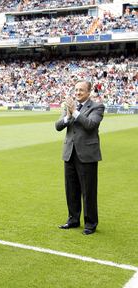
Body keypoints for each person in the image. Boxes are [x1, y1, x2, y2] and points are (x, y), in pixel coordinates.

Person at [55, 80, 105, 235]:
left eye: (81, 90)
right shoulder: (69, 107)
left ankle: (90, 224)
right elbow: (58, 126)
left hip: (87, 155)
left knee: (88, 191)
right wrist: (68, 116)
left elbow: (90, 125)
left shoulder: (97, 107)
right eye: (76, 89)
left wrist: (75, 112)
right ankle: (73, 220)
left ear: (89, 92)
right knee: (71, 189)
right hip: (70, 153)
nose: (77, 92)